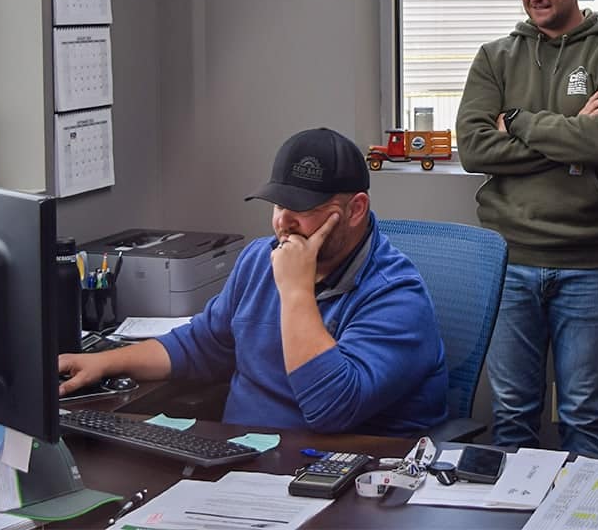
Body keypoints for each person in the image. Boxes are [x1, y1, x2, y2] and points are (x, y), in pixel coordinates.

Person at [58, 127, 449, 437]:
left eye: (303, 209)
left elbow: (332, 407)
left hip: (347, 476)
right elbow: (201, 345)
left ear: (355, 210)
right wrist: (102, 363)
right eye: (279, 205)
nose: (283, 223)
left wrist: (296, 292)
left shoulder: (397, 296)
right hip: (244, 459)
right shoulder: (260, 260)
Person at [455, 0, 598, 455]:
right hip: (509, 261)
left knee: (583, 415)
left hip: (591, 264)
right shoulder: (496, 57)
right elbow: (474, 149)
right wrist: (569, 137)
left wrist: (515, 121)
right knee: (512, 414)